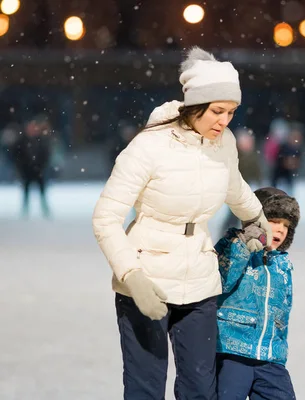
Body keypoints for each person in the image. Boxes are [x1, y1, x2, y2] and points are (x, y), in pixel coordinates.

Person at [91, 47, 273, 400]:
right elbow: (106, 217)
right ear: (194, 105)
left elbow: (233, 184)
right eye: (217, 111)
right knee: (146, 387)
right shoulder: (149, 146)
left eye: (231, 112)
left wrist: (254, 217)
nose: (224, 120)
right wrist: (132, 276)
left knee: (200, 389)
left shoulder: (224, 144)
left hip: (201, 279)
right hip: (148, 278)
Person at [214, 187, 300, 400]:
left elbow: (282, 313)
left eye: (286, 225)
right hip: (233, 351)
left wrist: (279, 347)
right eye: (274, 221)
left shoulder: (281, 264)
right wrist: (243, 246)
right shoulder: (232, 244)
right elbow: (219, 282)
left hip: (270, 357)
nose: (280, 230)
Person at [220, 127, 263, 236]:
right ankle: (227, 232)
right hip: (235, 188)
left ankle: (237, 233)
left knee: (243, 212)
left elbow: (256, 170)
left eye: (249, 142)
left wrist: (259, 182)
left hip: (246, 187)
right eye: (245, 142)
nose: (248, 145)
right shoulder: (235, 154)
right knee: (234, 212)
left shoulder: (252, 155)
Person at [12, 114, 52, 218]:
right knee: (26, 191)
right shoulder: (21, 141)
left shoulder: (41, 141)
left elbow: (46, 154)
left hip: (38, 170)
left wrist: (41, 165)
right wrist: (22, 166)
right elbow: (16, 155)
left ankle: (45, 210)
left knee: (42, 191)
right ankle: (25, 211)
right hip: (27, 171)